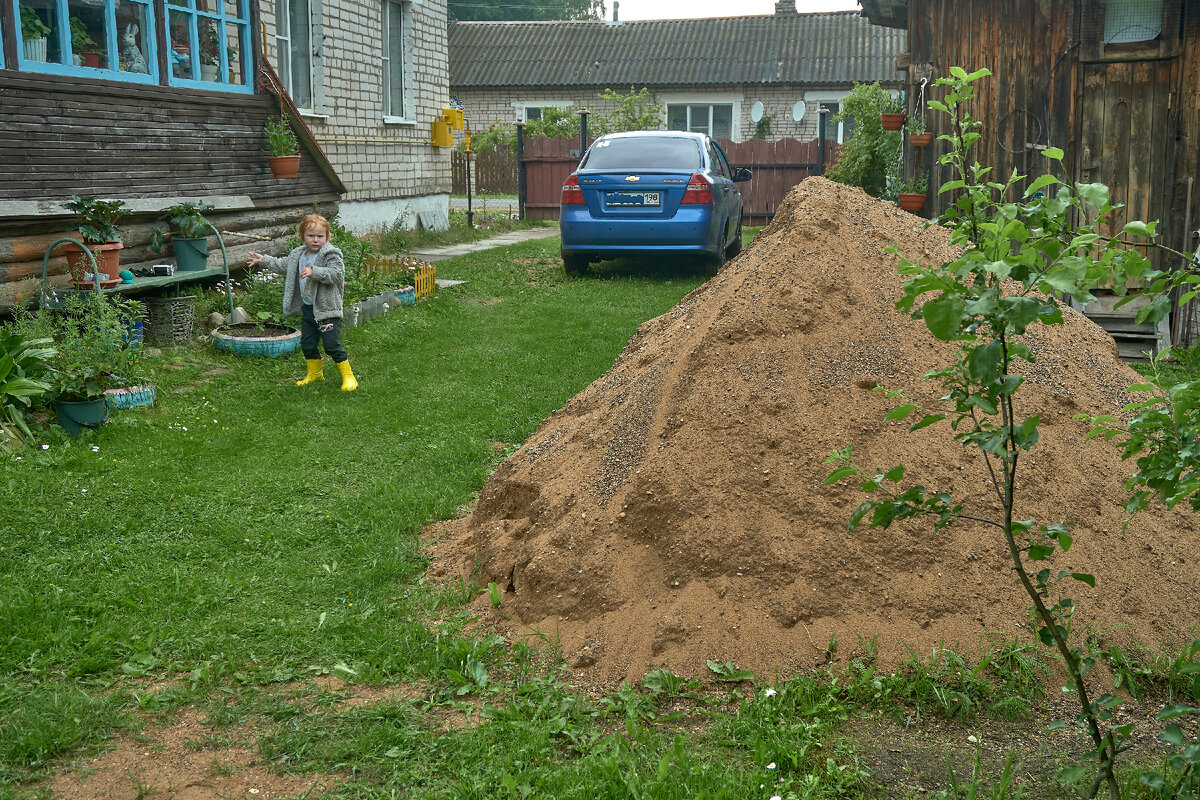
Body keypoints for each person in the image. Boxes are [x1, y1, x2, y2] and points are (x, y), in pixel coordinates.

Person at [247, 214, 357, 391]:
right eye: (311, 236)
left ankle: (349, 377)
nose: (315, 240)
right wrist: (264, 260)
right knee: (307, 343)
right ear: (302, 236)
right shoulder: (298, 254)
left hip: (326, 309)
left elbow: (336, 274)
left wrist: (315, 272)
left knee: (330, 345)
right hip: (308, 308)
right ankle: (314, 374)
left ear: (327, 237)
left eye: (320, 236)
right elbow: (283, 265)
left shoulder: (331, 254)